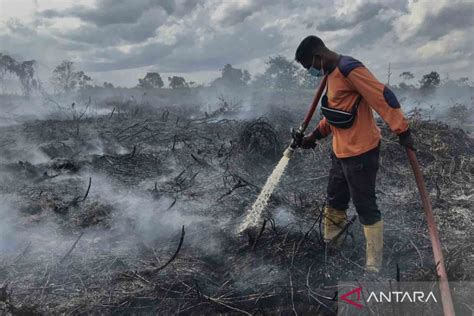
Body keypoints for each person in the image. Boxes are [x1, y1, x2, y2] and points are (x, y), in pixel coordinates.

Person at [294, 35, 414, 273]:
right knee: (335, 201)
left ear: (318, 57)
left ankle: (373, 266)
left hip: (361, 152)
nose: (311, 72)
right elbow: (335, 115)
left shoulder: (350, 69)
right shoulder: (330, 75)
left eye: (310, 67)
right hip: (340, 153)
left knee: (365, 206)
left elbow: (383, 96)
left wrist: (402, 130)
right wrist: (313, 138)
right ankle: (332, 246)